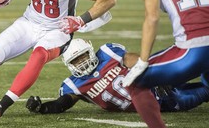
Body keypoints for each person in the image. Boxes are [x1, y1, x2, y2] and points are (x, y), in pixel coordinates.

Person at [26, 39, 209, 128]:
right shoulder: (74, 85)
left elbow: (133, 59)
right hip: (164, 103)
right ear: (68, 65)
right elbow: (62, 103)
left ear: (91, 51)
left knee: (196, 65)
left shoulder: (107, 53)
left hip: (156, 84)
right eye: (76, 60)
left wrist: (160, 75)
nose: (81, 62)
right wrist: (42, 108)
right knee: (205, 90)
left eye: (83, 56)